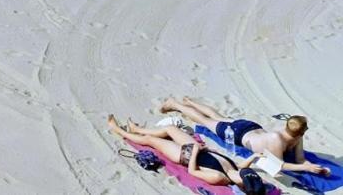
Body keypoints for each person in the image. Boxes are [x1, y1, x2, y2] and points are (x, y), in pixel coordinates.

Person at [160, 96, 329, 176]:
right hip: (239, 134)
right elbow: (279, 164)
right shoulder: (276, 139)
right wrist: (306, 168)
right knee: (206, 121)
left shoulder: (297, 137)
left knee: (219, 117)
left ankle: (190, 102)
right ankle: (175, 104)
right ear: (301, 131)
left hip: (252, 128)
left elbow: (300, 159)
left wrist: (314, 167)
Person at [106, 115, 268, 193]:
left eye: (244, 175)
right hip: (196, 148)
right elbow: (240, 166)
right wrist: (253, 158)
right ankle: (136, 129)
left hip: (185, 156)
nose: (245, 172)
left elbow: (193, 172)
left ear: (240, 184)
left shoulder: (220, 178)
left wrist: (196, 150)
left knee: (150, 140)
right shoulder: (235, 170)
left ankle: (119, 130)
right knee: (171, 129)